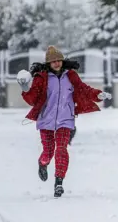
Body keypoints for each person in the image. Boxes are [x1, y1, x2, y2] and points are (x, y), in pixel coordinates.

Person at [17, 46, 110, 198]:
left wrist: (98, 95)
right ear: (48, 63)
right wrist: (24, 88)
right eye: (53, 61)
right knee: (48, 151)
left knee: (61, 149)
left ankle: (59, 182)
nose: (56, 63)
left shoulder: (71, 76)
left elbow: (83, 89)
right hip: (46, 119)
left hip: (65, 119)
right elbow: (33, 99)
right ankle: (43, 163)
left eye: (58, 60)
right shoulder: (42, 78)